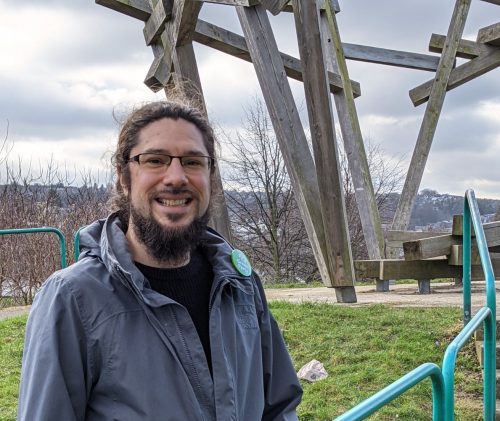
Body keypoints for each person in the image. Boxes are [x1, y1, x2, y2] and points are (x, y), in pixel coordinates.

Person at [17, 101, 302, 420]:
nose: (176, 177)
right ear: (124, 176)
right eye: (155, 160)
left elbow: (279, 407)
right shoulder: (72, 299)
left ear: (210, 176)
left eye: (193, 161)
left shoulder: (241, 285)